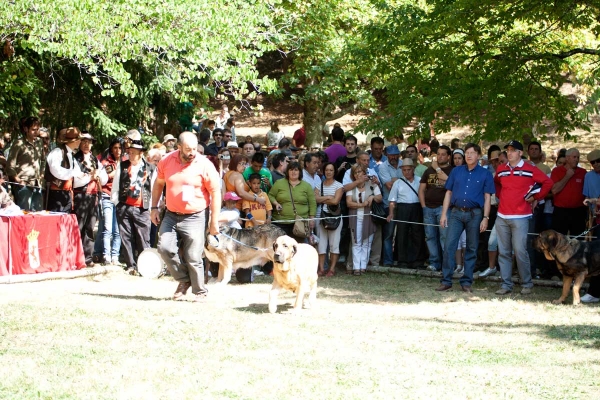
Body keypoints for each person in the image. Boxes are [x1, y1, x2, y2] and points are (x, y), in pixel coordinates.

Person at [152, 132, 221, 302]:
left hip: (196, 215)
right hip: (171, 213)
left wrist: (214, 221)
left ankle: (200, 291)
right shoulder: (166, 161)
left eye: (194, 148)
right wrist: (153, 207)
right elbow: (159, 184)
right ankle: (184, 280)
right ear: (178, 147)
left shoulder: (204, 164)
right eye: (188, 149)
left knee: (193, 254)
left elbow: (215, 192)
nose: (192, 152)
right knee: (164, 248)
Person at [493, 140, 553, 296]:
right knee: (504, 252)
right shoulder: (501, 169)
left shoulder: (530, 169)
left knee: (520, 251)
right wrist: (501, 196)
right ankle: (506, 284)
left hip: (521, 216)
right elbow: (497, 183)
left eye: (513, 150)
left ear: (520, 153)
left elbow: (547, 182)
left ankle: (526, 283)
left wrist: (536, 197)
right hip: (502, 216)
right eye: (508, 150)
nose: (509, 153)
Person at [437, 143, 495, 293]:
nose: (468, 155)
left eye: (471, 153)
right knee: (450, 245)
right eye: (466, 153)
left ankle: (467, 281)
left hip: (475, 214)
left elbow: (487, 197)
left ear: (478, 155)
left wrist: (486, 217)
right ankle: (446, 280)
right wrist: (444, 214)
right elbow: (448, 193)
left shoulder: (485, 173)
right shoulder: (456, 171)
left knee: (471, 247)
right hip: (456, 213)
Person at [111, 136, 155, 274]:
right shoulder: (122, 166)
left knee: (143, 238)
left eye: (133, 152)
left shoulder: (150, 168)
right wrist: (117, 203)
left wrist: (153, 207)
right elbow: (115, 187)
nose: (130, 155)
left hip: (142, 208)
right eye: (129, 152)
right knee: (126, 237)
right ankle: (131, 265)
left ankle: (145, 266)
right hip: (124, 207)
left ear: (141, 153)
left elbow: (154, 189)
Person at [72, 132, 108, 267]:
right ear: (80, 143)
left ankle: (87, 257)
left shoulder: (95, 159)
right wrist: (90, 177)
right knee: (79, 227)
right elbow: (75, 180)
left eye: (89, 142)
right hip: (80, 196)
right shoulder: (75, 159)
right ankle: (76, 258)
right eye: (84, 142)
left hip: (93, 196)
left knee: (90, 227)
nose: (87, 145)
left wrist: (97, 175)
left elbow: (104, 179)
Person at [419, 145, 453, 271]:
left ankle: (447, 264)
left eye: (443, 154)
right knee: (430, 236)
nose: (440, 156)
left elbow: (453, 188)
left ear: (449, 156)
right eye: (438, 154)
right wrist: (423, 206)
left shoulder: (452, 171)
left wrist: (438, 168)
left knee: (445, 236)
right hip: (428, 208)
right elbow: (421, 190)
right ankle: (434, 262)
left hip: (444, 209)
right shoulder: (428, 171)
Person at [387, 158, 426, 268]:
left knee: (417, 234)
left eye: (409, 169)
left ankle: (418, 261)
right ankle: (402, 260)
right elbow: (392, 200)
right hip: (403, 208)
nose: (406, 172)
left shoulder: (420, 180)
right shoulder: (398, 183)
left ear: (413, 169)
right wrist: (391, 213)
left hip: (416, 207)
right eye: (404, 170)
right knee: (402, 234)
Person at [347, 164, 382, 275]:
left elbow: (380, 198)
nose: (358, 174)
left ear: (365, 173)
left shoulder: (371, 184)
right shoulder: (351, 187)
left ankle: (363, 266)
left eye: (360, 171)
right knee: (356, 242)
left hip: (368, 217)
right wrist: (362, 204)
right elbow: (348, 203)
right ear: (353, 175)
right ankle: (356, 267)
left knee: (367, 242)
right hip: (355, 217)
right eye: (356, 172)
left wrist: (372, 197)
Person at [268, 161, 316, 242]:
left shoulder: (306, 186)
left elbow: (312, 203)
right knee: (282, 248)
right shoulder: (279, 183)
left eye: (296, 170)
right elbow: (270, 195)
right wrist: (276, 203)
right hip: (281, 223)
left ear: (300, 172)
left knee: (299, 248)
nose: (293, 172)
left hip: (300, 223)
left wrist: (311, 219)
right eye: (291, 170)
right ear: (287, 171)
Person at [6, 116, 44, 211]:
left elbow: (43, 160)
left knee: (38, 214)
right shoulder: (18, 143)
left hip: (37, 184)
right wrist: (18, 180)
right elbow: (10, 165)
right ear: (26, 129)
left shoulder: (39, 142)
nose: (36, 132)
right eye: (33, 129)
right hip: (23, 185)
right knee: (24, 214)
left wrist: (42, 175)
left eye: (37, 129)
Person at [95, 138, 123, 265]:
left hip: (120, 199)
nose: (118, 150)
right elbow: (106, 178)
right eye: (115, 148)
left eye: (120, 148)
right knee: (107, 228)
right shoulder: (106, 162)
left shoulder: (125, 162)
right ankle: (105, 255)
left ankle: (115, 256)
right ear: (111, 148)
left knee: (117, 230)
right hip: (107, 196)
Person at [45, 127, 85, 212]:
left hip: (67, 194)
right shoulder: (57, 152)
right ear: (74, 141)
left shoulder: (71, 155)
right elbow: (56, 170)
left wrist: (85, 176)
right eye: (79, 140)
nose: (80, 142)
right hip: (56, 194)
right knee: (55, 221)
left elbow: (77, 173)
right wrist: (73, 173)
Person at [315, 162, 344, 276]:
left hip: (335, 217)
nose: (328, 172)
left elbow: (335, 201)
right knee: (321, 244)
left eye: (331, 170)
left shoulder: (339, 185)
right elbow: (315, 199)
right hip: (321, 216)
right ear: (323, 171)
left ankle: (332, 269)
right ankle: (321, 269)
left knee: (334, 244)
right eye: (327, 170)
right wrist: (327, 197)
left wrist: (321, 198)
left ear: (334, 171)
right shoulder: (319, 185)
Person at [551, 148, 587, 237]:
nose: (577, 159)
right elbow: (554, 190)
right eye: (574, 157)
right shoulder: (557, 171)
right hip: (561, 211)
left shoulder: (583, 172)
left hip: (578, 211)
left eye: (578, 157)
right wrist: (567, 176)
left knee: (578, 240)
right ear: (567, 158)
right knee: (559, 240)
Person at [378, 145, 404, 268]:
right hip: (388, 204)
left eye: (395, 154)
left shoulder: (404, 164)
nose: (393, 157)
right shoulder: (382, 167)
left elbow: (407, 182)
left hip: (404, 203)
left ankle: (401, 260)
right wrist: (400, 181)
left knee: (403, 233)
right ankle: (388, 261)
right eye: (391, 155)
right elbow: (389, 186)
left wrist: (395, 180)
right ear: (386, 155)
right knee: (388, 234)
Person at [581, 149, 600, 303]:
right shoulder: (589, 176)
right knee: (596, 256)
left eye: (598, 160)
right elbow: (587, 199)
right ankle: (594, 292)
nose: (596, 164)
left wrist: (595, 201)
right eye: (592, 162)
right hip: (597, 220)